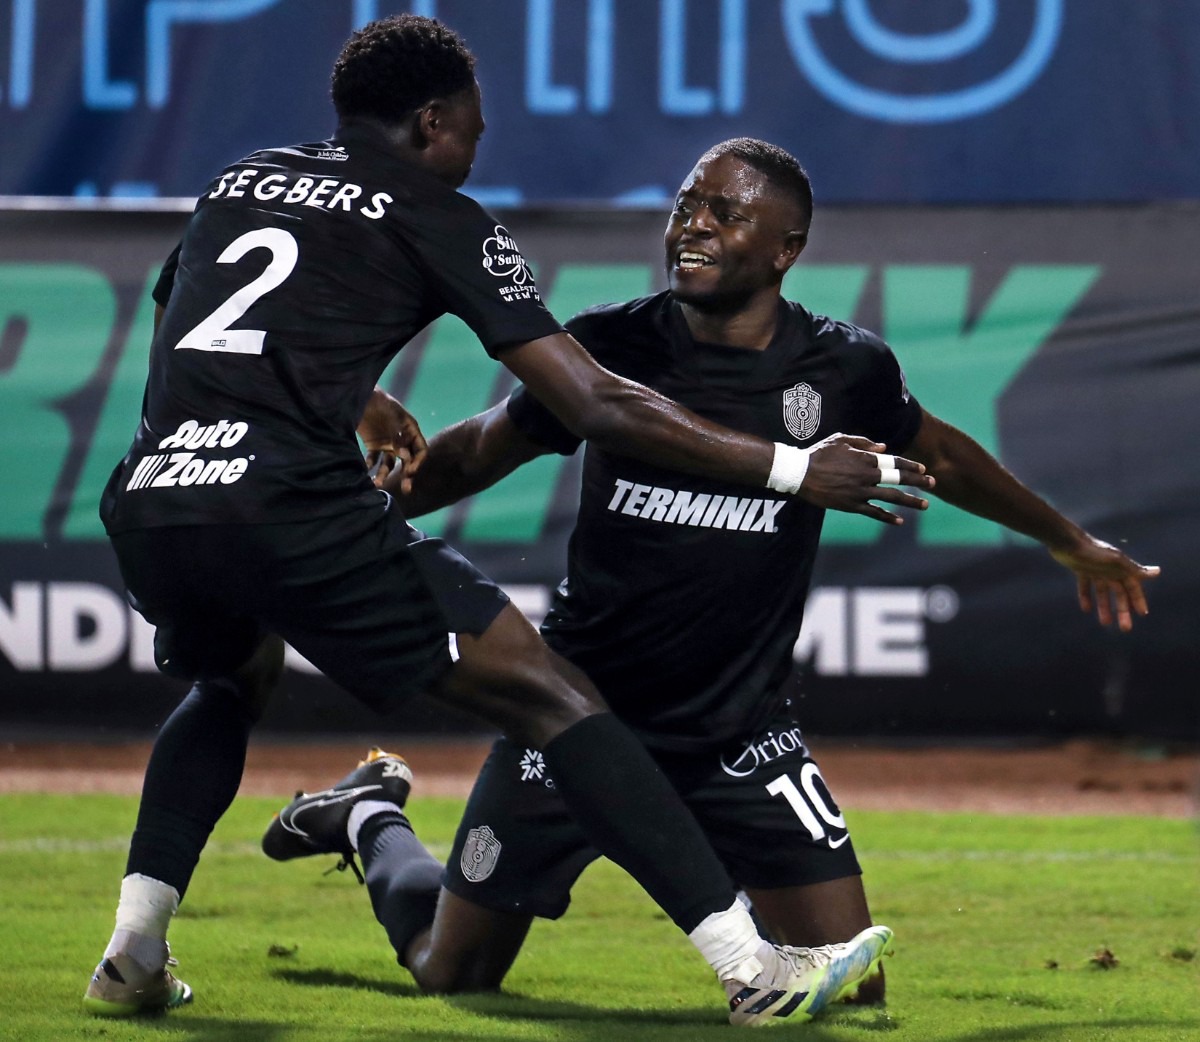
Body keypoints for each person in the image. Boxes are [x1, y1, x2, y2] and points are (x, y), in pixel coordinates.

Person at [82, 17, 925, 1026]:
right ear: (434, 122)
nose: (477, 149)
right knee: (552, 693)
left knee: (233, 675)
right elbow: (597, 406)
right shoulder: (440, 211)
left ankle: (135, 946)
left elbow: (194, 302)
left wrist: (354, 398)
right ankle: (753, 967)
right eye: (474, 129)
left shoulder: (241, 179)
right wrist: (793, 466)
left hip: (154, 498)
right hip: (292, 504)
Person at [260, 137, 1160, 1005]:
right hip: (577, 720)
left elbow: (944, 456)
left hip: (738, 733)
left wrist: (1067, 539)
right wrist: (328, 525)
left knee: (855, 984)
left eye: (724, 214)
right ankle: (368, 817)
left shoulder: (843, 366)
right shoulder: (608, 349)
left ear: (784, 252)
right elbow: (471, 456)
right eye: (687, 205)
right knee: (450, 973)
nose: (692, 225)